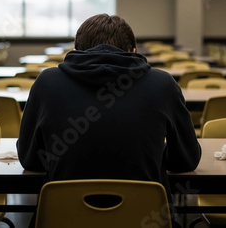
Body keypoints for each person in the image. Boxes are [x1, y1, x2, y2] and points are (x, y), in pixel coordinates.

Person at [17, 13, 201, 227]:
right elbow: (186, 160)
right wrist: (155, 153)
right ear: (133, 51)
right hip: (144, 221)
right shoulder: (163, 84)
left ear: (76, 50)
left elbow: (30, 160)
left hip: (63, 220)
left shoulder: (46, 83)